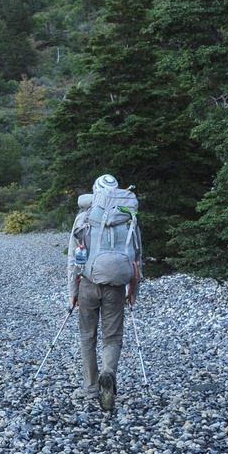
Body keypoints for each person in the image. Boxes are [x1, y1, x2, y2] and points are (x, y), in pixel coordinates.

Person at [66, 173, 141, 412]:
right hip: (117, 285)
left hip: (88, 282)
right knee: (113, 336)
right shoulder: (129, 218)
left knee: (88, 335)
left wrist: (73, 291)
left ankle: (90, 385)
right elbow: (137, 257)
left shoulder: (84, 218)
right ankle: (108, 373)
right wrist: (133, 288)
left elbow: (72, 260)